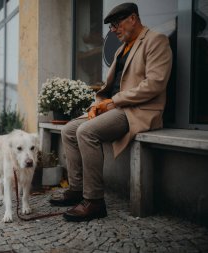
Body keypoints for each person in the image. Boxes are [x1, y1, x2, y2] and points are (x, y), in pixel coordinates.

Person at [49, 2, 172, 222]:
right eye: (111, 27)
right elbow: (110, 86)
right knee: (69, 129)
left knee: (86, 132)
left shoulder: (156, 40)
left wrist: (113, 102)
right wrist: (99, 104)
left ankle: (94, 201)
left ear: (133, 18)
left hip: (137, 110)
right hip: (113, 107)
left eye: (116, 24)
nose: (113, 30)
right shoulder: (120, 50)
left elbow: (155, 84)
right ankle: (77, 190)